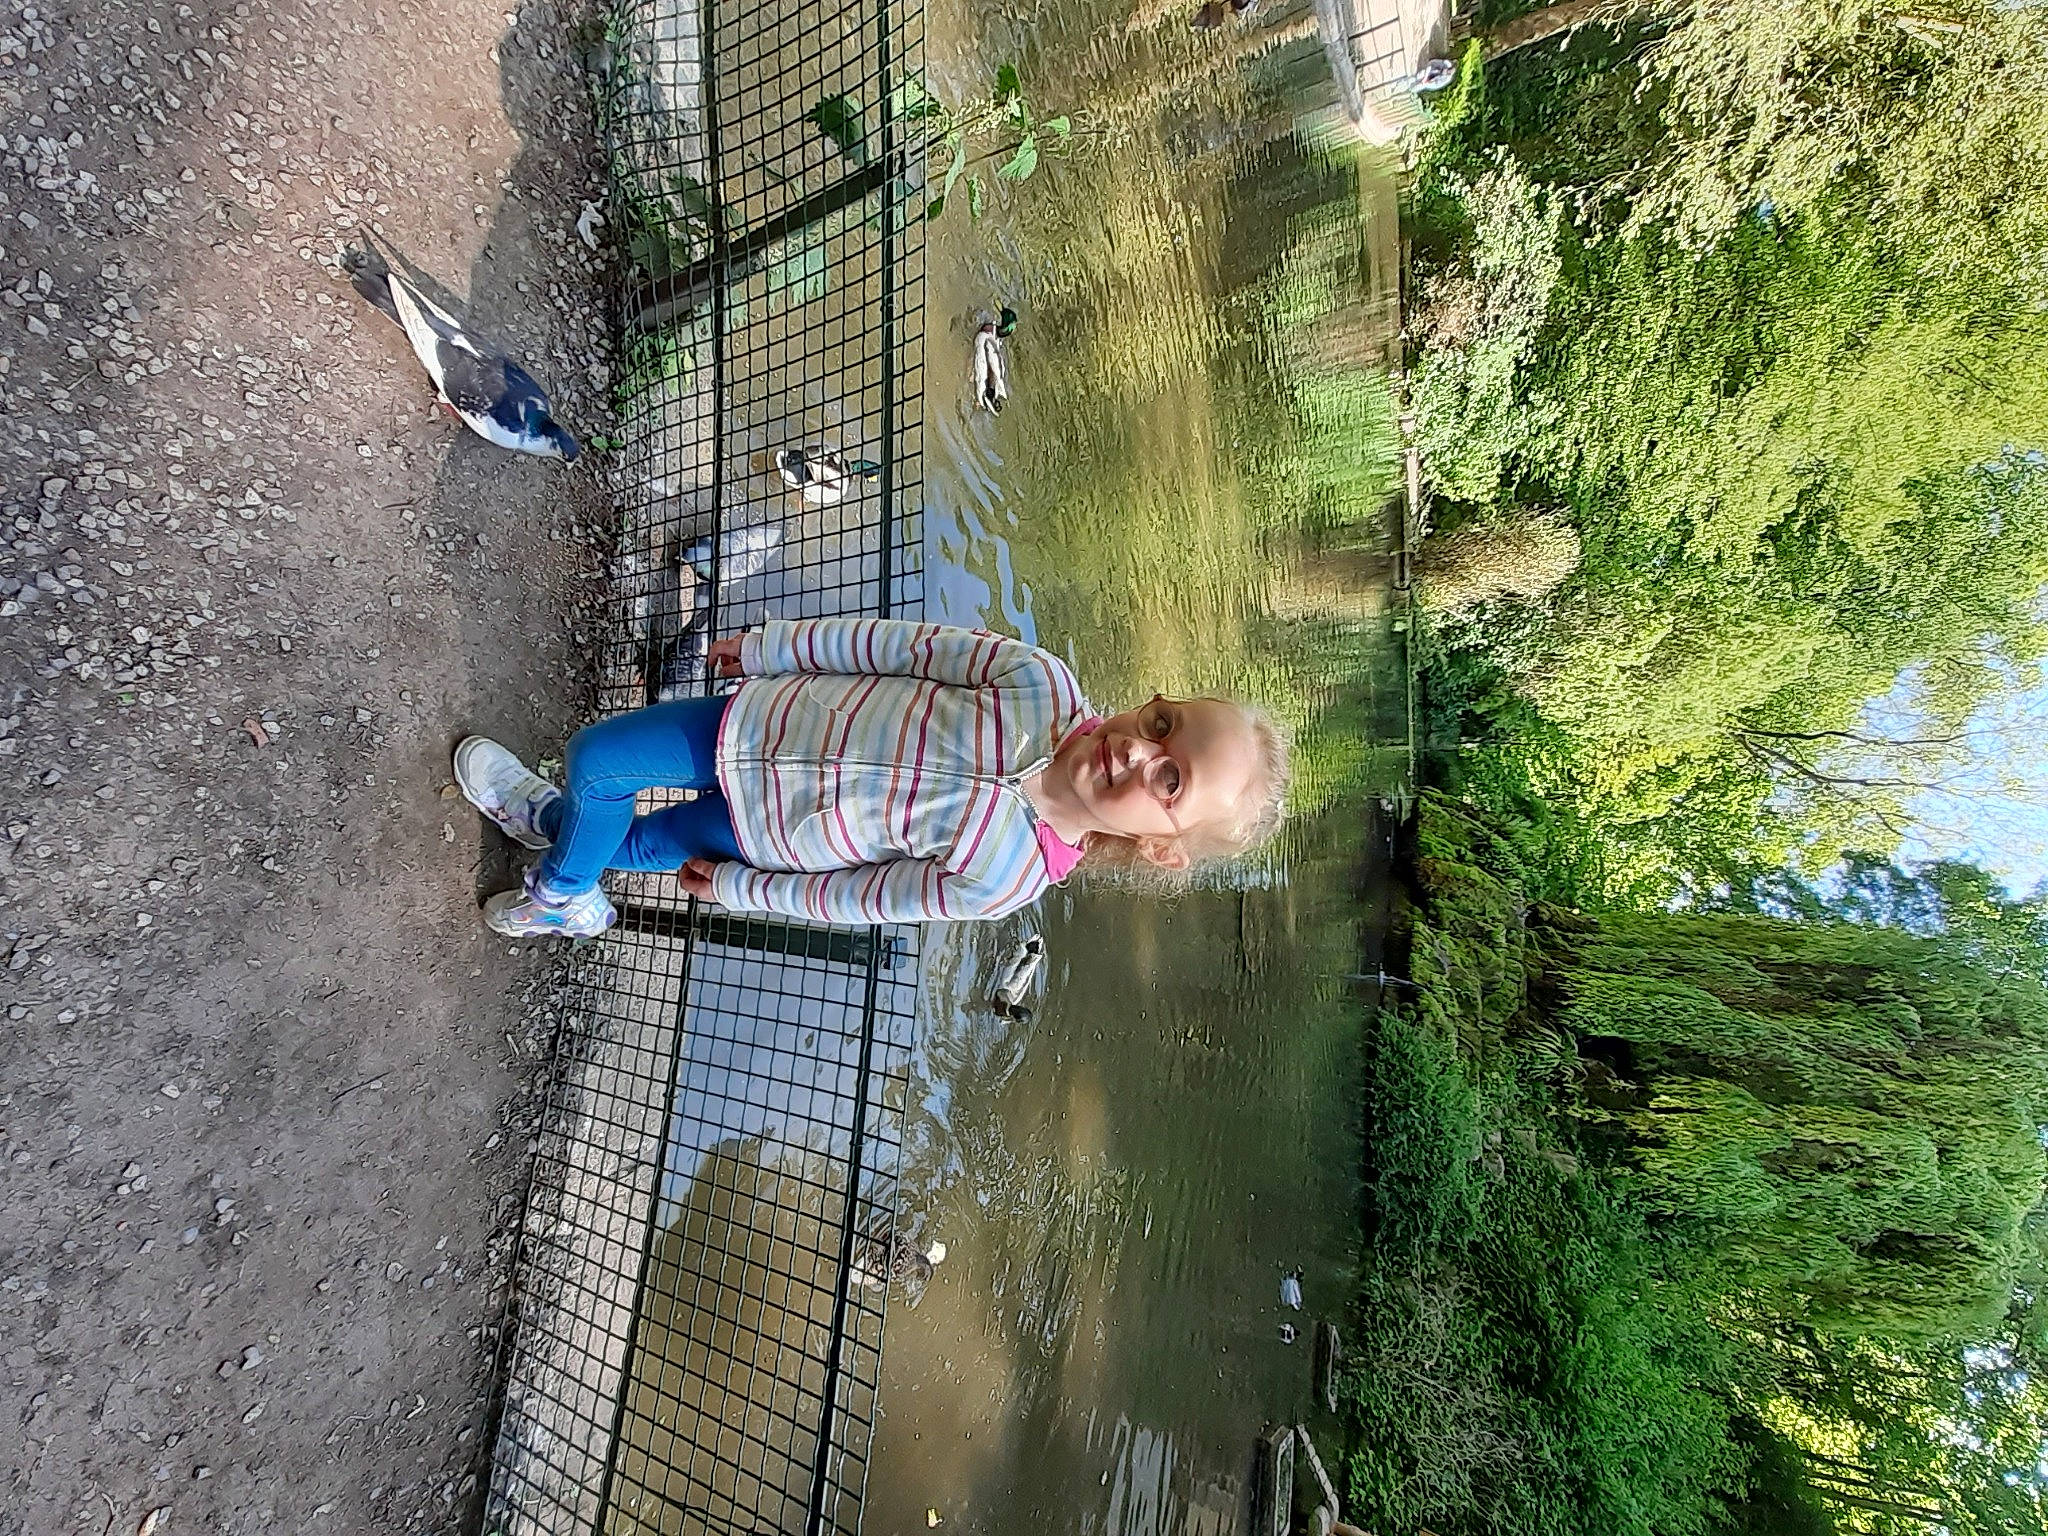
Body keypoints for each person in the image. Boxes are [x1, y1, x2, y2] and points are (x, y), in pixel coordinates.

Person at [453, 616, 1289, 937]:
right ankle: (562, 891)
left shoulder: (1008, 879)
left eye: (1171, 782)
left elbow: (867, 898)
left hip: (767, 838)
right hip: (750, 722)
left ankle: (557, 834)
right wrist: (780, 648)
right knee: (598, 760)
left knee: (638, 844)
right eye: (1162, 725)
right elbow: (897, 647)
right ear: (1154, 703)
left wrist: (752, 891)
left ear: (1160, 850)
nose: (1142, 754)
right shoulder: (1040, 682)